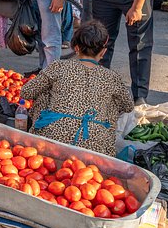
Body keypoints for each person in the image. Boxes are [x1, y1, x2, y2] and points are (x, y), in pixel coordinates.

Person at [22, 21, 134, 156]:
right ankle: (97, 130)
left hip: (52, 139)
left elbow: (26, 91)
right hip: (96, 148)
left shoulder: (58, 67)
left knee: (44, 89)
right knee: (113, 101)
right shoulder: (111, 77)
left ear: (75, 47)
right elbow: (128, 106)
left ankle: (46, 131)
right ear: (103, 51)